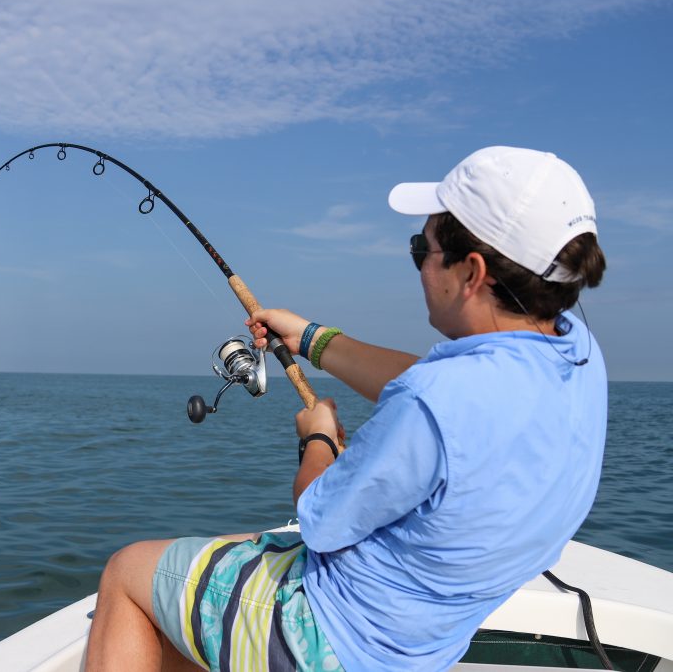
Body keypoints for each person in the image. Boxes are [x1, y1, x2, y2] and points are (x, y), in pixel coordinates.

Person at [85, 146, 608, 671]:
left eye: (419, 249)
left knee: (128, 572)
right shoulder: (577, 352)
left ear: (471, 272)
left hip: (332, 642)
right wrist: (310, 337)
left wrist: (318, 439)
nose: (419, 264)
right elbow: (431, 385)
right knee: (216, 557)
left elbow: (319, 516)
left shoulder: (436, 403)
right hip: (428, 642)